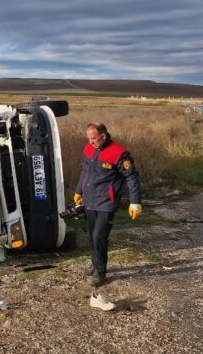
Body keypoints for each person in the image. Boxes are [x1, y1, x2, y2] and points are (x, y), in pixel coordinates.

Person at [74, 123, 142, 287]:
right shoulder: (89, 148)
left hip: (106, 202)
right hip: (90, 200)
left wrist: (135, 202)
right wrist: (79, 191)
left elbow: (132, 178)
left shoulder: (119, 153)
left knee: (99, 236)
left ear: (103, 136)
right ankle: (94, 263)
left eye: (93, 138)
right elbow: (85, 172)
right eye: (88, 138)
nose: (90, 142)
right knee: (91, 235)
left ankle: (101, 272)